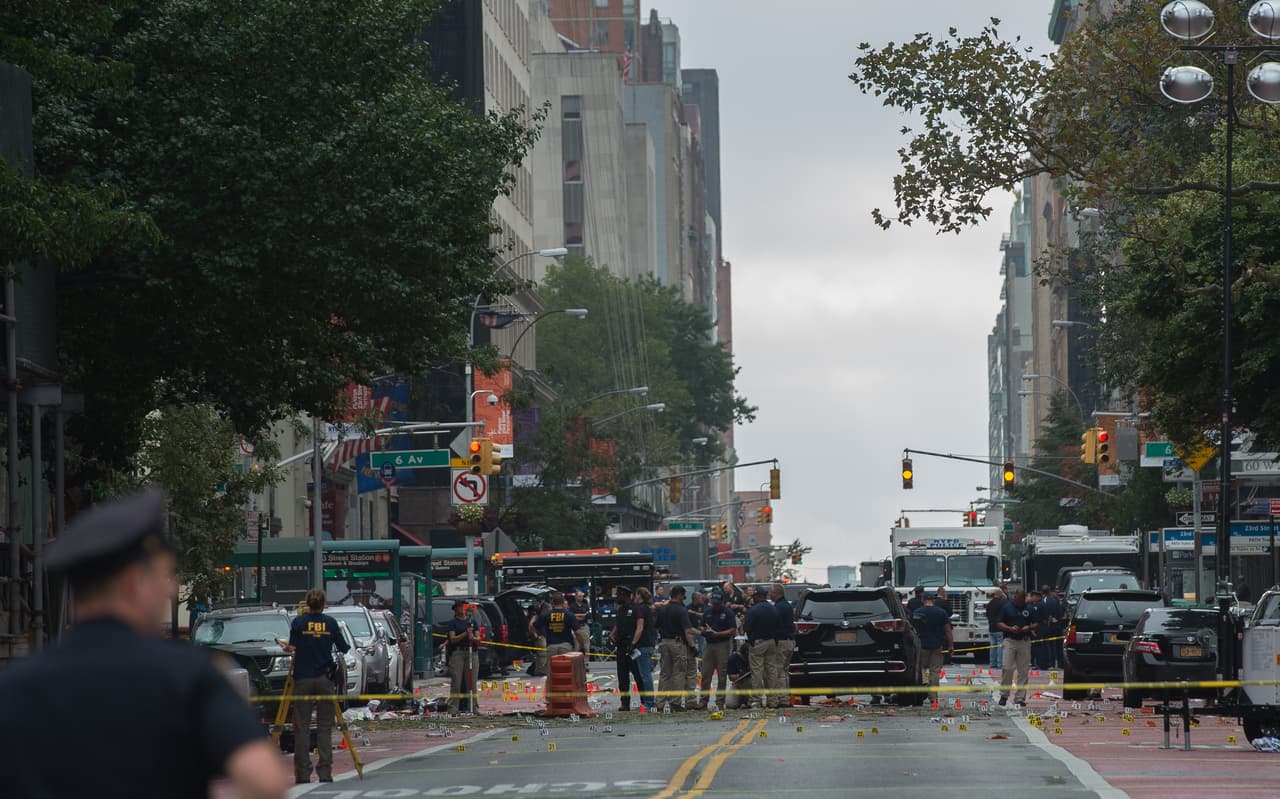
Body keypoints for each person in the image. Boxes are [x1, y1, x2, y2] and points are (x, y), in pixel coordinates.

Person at [0, 490, 291, 798]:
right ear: (132, 581)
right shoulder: (188, 676)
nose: (171, 589)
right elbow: (263, 781)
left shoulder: (14, 688)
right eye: (163, 576)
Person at [285, 587, 352, 784]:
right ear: (323, 604)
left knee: (302, 728)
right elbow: (344, 648)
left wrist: (288, 646)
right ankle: (325, 772)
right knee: (324, 727)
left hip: (303, 679)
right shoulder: (330, 623)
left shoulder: (299, 622)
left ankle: (303, 773)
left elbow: (292, 646)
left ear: (308, 603)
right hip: (324, 679)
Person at [655, 585, 697, 710]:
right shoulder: (681, 610)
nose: (684, 599)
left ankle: (660, 703)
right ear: (679, 595)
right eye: (683, 596)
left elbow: (656, 626)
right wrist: (692, 646)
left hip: (664, 642)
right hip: (677, 643)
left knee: (664, 674)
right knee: (678, 673)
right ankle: (675, 702)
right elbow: (687, 630)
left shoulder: (662, 609)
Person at [997, 590, 1040, 707]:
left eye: (1022, 600)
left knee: (1023, 670)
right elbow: (999, 623)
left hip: (1024, 641)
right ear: (1015, 597)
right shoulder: (1007, 607)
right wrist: (1009, 628)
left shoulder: (1030, 608)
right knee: (1007, 667)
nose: (1020, 602)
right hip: (1010, 640)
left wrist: (1029, 627)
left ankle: (1020, 697)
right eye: (1018, 600)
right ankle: (1004, 695)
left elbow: (1037, 623)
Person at [697, 592, 738, 710]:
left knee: (722, 674)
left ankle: (720, 701)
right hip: (709, 644)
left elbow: (732, 630)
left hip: (722, 644)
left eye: (717, 603)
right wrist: (706, 630)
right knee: (705, 673)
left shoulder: (728, 613)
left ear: (721, 603)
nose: (715, 605)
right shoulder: (708, 612)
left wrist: (718, 633)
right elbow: (700, 626)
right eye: (713, 603)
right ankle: (703, 701)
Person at [912, 592, 953, 703]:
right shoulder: (941, 612)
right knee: (935, 671)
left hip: (922, 646)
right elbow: (948, 630)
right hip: (937, 646)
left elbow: (913, 631)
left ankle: (923, 686)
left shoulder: (917, 612)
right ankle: (933, 697)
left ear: (922, 600)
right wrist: (950, 645)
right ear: (933, 600)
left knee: (921, 669)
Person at [609, 586, 644, 710]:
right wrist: (612, 635)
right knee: (622, 677)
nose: (617, 597)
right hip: (621, 646)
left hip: (633, 647)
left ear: (625, 595)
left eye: (619, 595)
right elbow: (618, 625)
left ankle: (644, 701)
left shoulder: (636, 609)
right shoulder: (621, 610)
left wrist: (633, 643)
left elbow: (639, 627)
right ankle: (625, 703)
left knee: (638, 676)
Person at [743, 591, 778, 709]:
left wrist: (751, 638)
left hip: (758, 642)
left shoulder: (754, 610)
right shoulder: (773, 608)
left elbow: (746, 627)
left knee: (757, 671)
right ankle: (772, 700)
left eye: (754, 597)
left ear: (758, 597)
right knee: (771, 671)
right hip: (771, 642)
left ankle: (756, 700)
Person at [443, 599, 478, 715]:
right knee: (457, 681)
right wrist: (465, 634)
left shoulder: (472, 621)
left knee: (471, 682)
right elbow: (452, 639)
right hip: (458, 653)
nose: (462, 609)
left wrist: (473, 637)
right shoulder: (453, 623)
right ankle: (453, 708)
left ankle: (473, 707)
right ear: (456, 609)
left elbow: (478, 638)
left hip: (471, 653)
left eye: (463, 606)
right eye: (459, 607)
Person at [769, 583, 796, 708]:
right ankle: (785, 697)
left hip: (782, 642)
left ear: (776, 593)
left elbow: (775, 625)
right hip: (790, 641)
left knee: (778, 670)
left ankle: (781, 699)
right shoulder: (787, 606)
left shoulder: (779, 607)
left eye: (771, 592)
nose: (770, 594)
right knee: (785, 671)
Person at [632, 587, 658, 711]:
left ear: (639, 595)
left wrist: (633, 642)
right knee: (647, 673)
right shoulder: (649, 609)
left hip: (642, 645)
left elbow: (640, 627)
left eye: (636, 595)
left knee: (645, 675)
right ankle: (650, 701)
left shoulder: (640, 609)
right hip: (650, 643)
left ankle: (650, 702)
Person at [535, 592, 580, 659]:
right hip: (566, 646)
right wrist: (581, 645)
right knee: (567, 667)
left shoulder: (545, 615)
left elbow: (535, 626)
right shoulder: (569, 615)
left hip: (551, 646)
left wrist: (537, 635)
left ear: (552, 602)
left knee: (551, 668)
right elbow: (577, 632)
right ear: (562, 601)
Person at [724, 641, 753, 709]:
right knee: (730, 704)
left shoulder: (753, 658)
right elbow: (731, 677)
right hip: (738, 684)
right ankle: (741, 699)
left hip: (751, 683)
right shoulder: (733, 659)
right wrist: (740, 675)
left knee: (752, 682)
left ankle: (749, 700)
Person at [526, 600, 550, 676]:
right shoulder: (537, 616)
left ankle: (538, 670)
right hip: (540, 637)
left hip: (545, 637)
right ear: (544, 608)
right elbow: (530, 625)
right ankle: (541, 670)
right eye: (548, 608)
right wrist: (535, 634)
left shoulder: (546, 616)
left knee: (541, 655)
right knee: (542, 655)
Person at [985, 587, 1007, 670]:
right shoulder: (1002, 604)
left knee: (992, 645)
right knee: (1000, 646)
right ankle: (999, 663)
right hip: (999, 627)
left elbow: (987, 615)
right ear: (1000, 594)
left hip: (991, 627)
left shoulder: (989, 604)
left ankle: (992, 663)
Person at [568, 589, 591, 657]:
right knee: (576, 646)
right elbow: (572, 616)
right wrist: (582, 615)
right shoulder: (572, 606)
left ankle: (586, 664)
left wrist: (577, 615)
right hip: (575, 628)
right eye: (579, 596)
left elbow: (587, 616)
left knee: (586, 646)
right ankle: (576, 664)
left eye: (582, 596)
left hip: (584, 627)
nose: (581, 598)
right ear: (575, 597)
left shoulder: (585, 605)